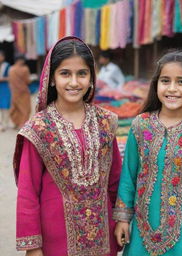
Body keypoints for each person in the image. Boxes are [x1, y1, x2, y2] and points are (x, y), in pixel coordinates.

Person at [13, 36, 122, 256]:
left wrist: (121, 219)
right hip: (55, 241)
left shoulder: (105, 121)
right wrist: (33, 247)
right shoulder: (39, 129)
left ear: (92, 77)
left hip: (103, 237)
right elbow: (28, 192)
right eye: (65, 74)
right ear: (52, 78)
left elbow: (115, 180)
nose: (74, 82)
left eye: (82, 73)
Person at [113, 49, 182, 256]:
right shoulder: (140, 125)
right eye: (165, 81)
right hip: (141, 230)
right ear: (156, 85)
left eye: (181, 82)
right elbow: (128, 176)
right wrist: (123, 219)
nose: (172, 89)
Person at [9, 55, 31, 129]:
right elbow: (27, 81)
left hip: (14, 92)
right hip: (23, 92)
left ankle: (16, 123)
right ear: (20, 60)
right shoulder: (25, 69)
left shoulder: (11, 69)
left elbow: (10, 81)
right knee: (25, 109)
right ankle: (22, 125)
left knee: (15, 108)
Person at [0, 50, 11, 131]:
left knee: (5, 105)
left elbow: (10, 77)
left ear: (3, 57)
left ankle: (5, 124)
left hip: (5, 87)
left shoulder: (7, 65)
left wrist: (3, 79)